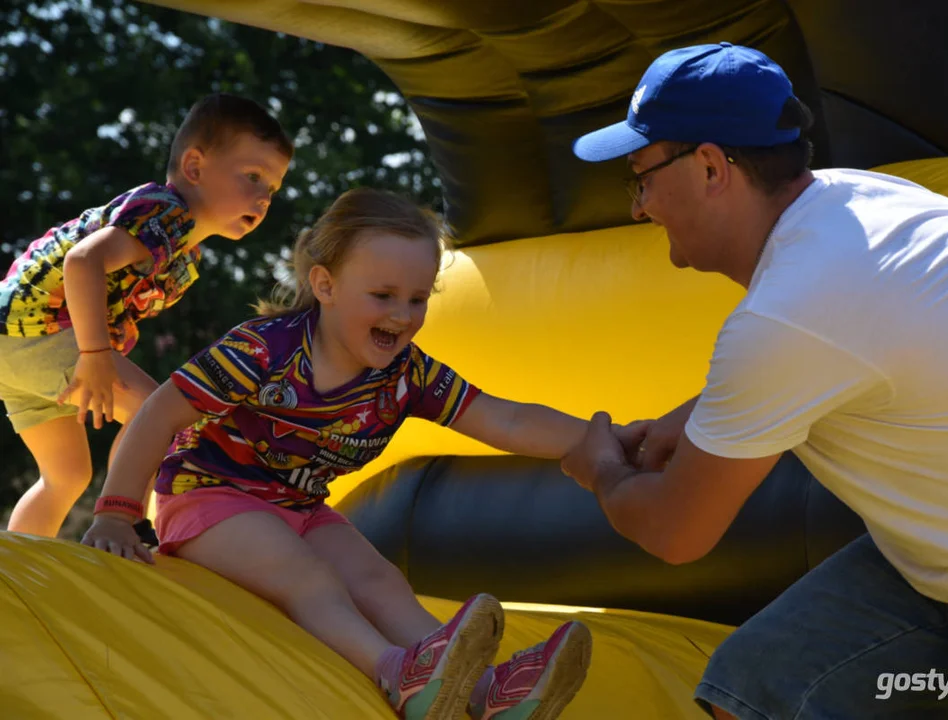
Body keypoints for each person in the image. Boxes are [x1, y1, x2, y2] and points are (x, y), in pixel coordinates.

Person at [562, 42, 948, 719]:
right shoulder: (860, 199)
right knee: (753, 693)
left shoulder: (789, 310)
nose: (639, 207)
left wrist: (602, 471)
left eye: (641, 177)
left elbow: (674, 531)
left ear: (712, 166)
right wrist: (688, 420)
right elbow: (857, 348)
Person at [80, 187, 610, 720]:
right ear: (325, 285)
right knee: (308, 577)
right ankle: (396, 671)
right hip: (210, 497)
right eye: (383, 295)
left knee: (383, 583)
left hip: (298, 507)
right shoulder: (266, 350)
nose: (402, 315)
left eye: (418, 299)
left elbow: (505, 418)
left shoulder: (406, 374)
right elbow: (159, 413)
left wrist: (610, 438)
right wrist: (117, 514)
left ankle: (485, 692)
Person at [0, 93, 293, 538]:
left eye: (271, 187)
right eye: (252, 177)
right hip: (38, 329)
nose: (263, 197)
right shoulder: (166, 212)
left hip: (16, 344)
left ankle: (16, 574)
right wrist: (95, 353)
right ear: (194, 167)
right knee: (159, 413)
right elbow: (81, 262)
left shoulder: (183, 252)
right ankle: (121, 522)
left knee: (66, 476)